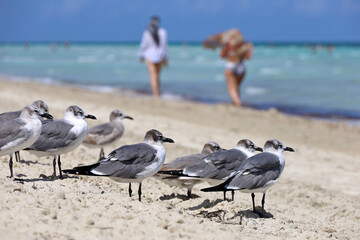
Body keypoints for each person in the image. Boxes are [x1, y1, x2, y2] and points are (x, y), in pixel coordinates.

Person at [220, 30, 253, 107]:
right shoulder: (245, 44)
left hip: (231, 65)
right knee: (236, 87)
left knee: (231, 87)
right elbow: (248, 57)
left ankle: (237, 102)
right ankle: (236, 102)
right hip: (242, 67)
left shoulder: (229, 44)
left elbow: (222, 56)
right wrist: (250, 50)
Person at [139, 16, 168, 97]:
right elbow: (164, 46)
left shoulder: (147, 33)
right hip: (160, 56)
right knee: (157, 76)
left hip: (149, 56)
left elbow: (143, 46)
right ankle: (157, 93)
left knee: (153, 76)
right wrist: (166, 58)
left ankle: (155, 94)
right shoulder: (163, 32)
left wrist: (141, 56)